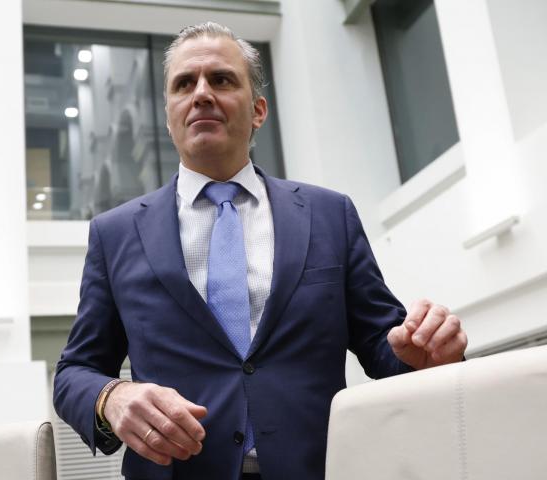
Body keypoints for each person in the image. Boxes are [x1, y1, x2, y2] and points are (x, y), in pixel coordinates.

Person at [53, 22, 468, 480]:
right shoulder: (115, 234)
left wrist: (423, 356)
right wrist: (111, 397)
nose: (202, 94)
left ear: (258, 110)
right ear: (169, 114)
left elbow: (382, 344)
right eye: (184, 84)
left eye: (222, 79)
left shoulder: (330, 215)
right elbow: (75, 371)